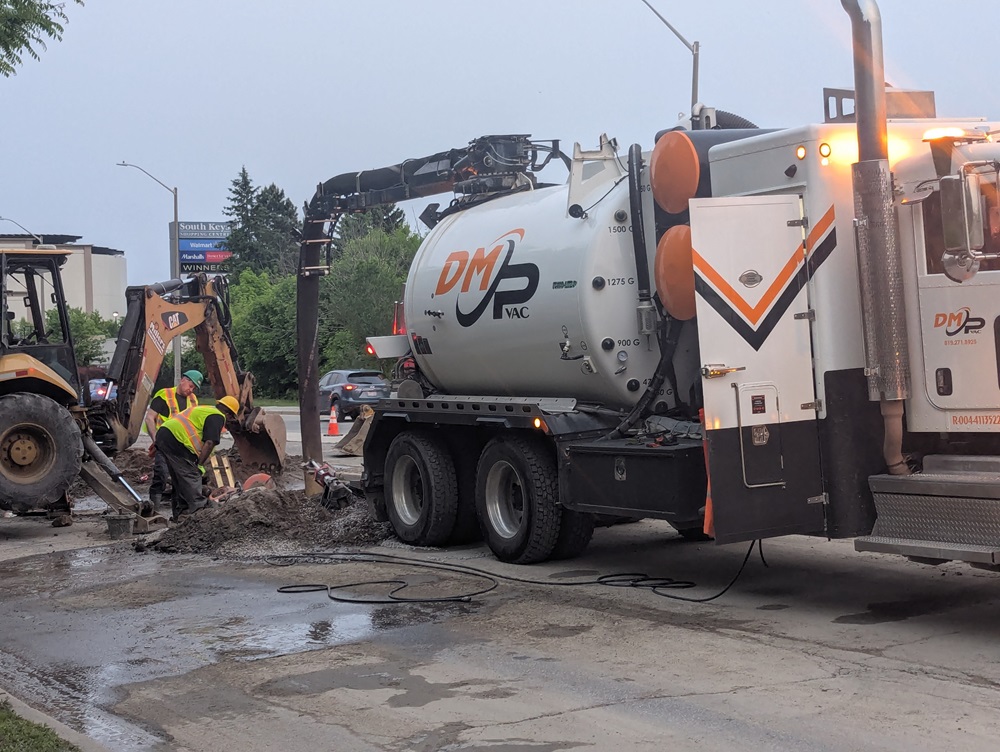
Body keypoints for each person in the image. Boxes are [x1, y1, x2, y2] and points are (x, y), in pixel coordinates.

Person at [152, 395, 239, 520]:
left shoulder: (205, 410)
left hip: (165, 435)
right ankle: (200, 513)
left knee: (179, 480)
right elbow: (210, 442)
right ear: (228, 414)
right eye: (231, 418)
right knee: (191, 475)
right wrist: (199, 464)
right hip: (177, 441)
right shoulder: (218, 416)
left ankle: (181, 515)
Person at [144, 370, 204, 506]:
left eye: (194, 388)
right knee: (161, 473)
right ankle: (154, 506)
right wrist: (156, 440)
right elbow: (149, 418)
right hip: (165, 443)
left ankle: (178, 510)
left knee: (180, 478)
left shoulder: (193, 399)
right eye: (191, 386)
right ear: (183, 380)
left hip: (182, 446)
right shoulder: (164, 395)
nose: (191, 390)